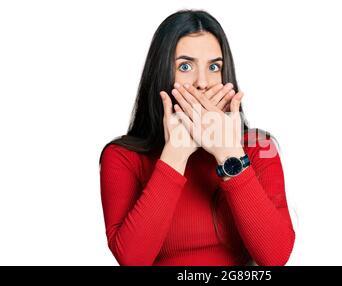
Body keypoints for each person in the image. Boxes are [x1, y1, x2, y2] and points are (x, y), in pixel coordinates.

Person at [99, 9, 295, 266]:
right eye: (185, 66)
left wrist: (229, 153)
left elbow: (275, 257)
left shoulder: (259, 148)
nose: (202, 82)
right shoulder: (122, 157)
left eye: (214, 67)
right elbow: (133, 260)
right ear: (161, 75)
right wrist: (175, 154)